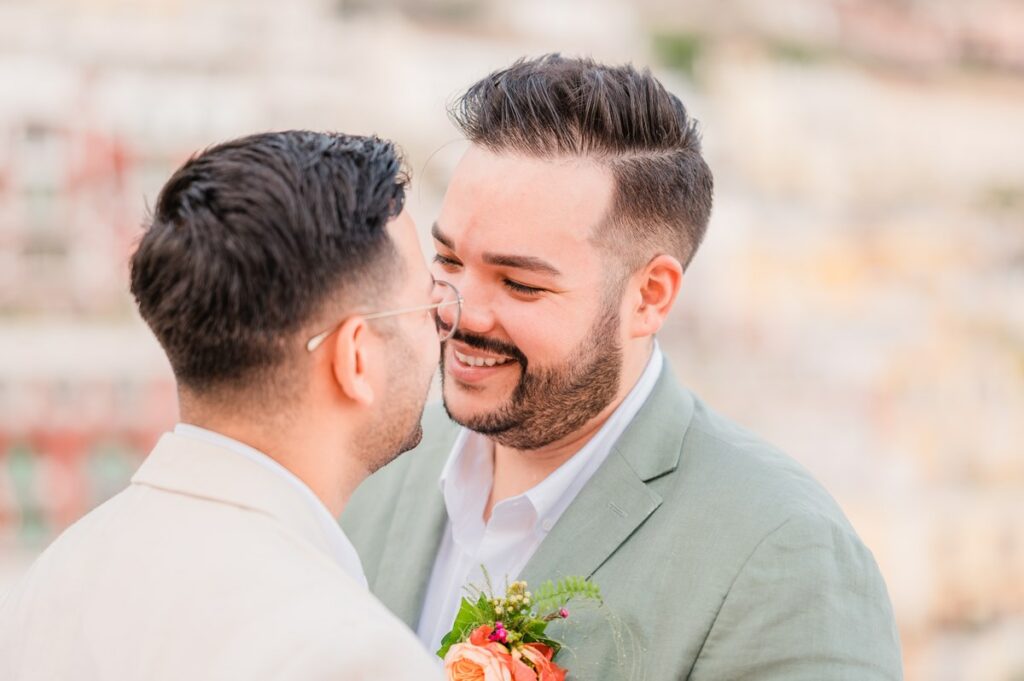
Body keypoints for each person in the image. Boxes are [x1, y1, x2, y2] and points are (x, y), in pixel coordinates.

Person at [342, 56, 904, 680]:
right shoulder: (375, 459)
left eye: (520, 283)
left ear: (650, 296)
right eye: (448, 261)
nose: (460, 313)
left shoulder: (786, 555)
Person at [0, 131, 454, 680]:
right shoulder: (348, 651)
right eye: (427, 305)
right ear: (355, 358)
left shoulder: (60, 573)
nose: (446, 325)